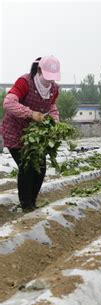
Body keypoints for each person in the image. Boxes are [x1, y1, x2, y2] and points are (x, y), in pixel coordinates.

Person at [2, 56, 61, 212]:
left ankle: (32, 203)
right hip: (15, 132)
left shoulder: (54, 89)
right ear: (40, 70)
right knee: (26, 166)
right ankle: (26, 205)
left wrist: (55, 120)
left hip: (34, 136)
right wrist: (30, 113)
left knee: (40, 169)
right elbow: (8, 103)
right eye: (48, 76)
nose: (50, 81)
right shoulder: (25, 82)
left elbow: (52, 106)